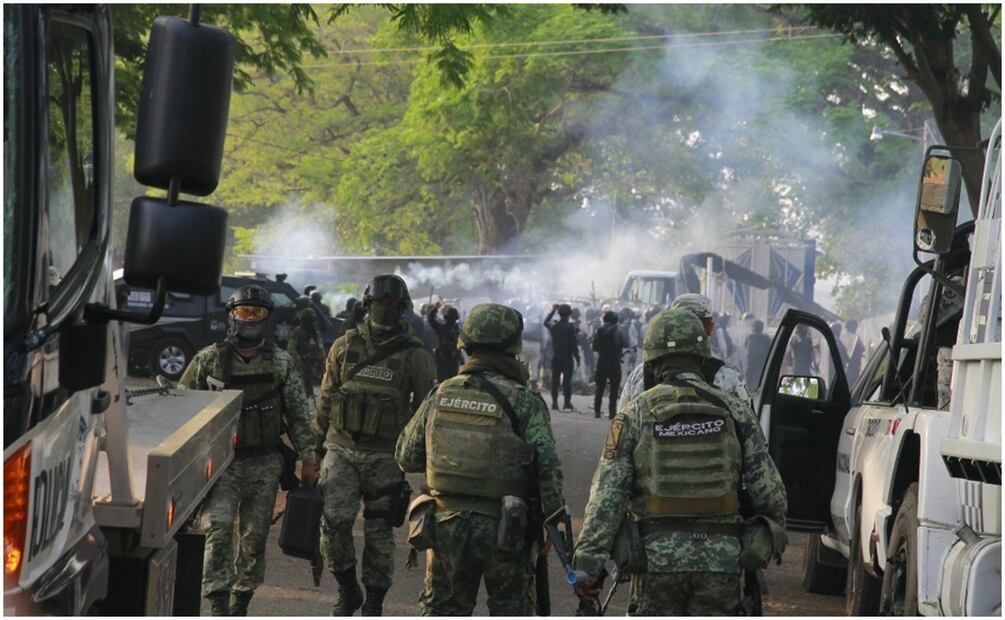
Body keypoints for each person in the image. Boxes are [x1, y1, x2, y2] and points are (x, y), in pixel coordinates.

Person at [573, 309, 787, 615]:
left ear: (653, 360)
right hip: (722, 561)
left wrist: (587, 565)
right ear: (701, 356)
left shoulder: (635, 413)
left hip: (655, 561)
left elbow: (607, 497)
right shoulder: (736, 411)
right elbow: (771, 493)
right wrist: (764, 540)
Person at [396, 303, 566, 615]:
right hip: (507, 528)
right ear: (513, 347)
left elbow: (406, 456)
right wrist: (552, 522)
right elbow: (548, 467)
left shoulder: (441, 393)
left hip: (446, 523)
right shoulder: (525, 401)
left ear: (467, 343)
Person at [179, 285, 318, 616]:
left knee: (254, 537)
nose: (251, 319)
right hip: (222, 463)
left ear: (267, 318)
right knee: (218, 529)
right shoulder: (209, 360)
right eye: (245, 312)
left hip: (265, 464)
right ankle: (218, 603)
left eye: (258, 313)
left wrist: (309, 459)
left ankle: (241, 600)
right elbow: (182, 408)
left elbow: (299, 417)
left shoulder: (280, 363)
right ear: (232, 316)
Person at [316, 274, 437, 616]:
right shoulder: (345, 345)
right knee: (333, 524)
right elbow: (326, 397)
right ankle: (347, 588)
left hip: (386, 455)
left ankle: (374, 602)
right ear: (368, 305)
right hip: (341, 449)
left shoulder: (415, 354)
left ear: (402, 308)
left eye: (391, 304)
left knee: (380, 533)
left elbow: (427, 409)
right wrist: (313, 448)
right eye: (379, 303)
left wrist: (423, 459)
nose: (384, 310)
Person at [618, 294, 751, 411]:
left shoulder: (639, 376)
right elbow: (749, 425)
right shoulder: (728, 378)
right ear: (710, 328)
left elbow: (620, 424)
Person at [544, 303, 580, 410]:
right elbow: (574, 345)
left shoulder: (555, 327)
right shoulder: (570, 328)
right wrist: (577, 358)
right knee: (567, 382)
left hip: (556, 357)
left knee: (555, 381)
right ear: (569, 314)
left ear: (559, 314)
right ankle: (566, 403)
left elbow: (545, 323)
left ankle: (554, 403)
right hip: (567, 358)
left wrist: (552, 311)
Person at [592, 310, 627, 419]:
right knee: (614, 389)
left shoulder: (599, 331)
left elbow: (595, 347)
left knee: (600, 387)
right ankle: (612, 413)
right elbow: (625, 343)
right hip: (614, 362)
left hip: (602, 362)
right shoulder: (618, 330)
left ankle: (597, 411)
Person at [288, 305, 326, 399]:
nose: (311, 321)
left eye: (312, 319)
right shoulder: (297, 332)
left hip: (315, 363)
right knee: (302, 386)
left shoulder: (315, 331)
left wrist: (322, 360)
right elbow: (291, 348)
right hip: (302, 363)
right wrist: (299, 359)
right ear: (303, 320)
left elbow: (320, 346)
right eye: (309, 319)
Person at [427, 301, 464, 381]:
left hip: (450, 359)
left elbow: (431, 320)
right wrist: (435, 309)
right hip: (443, 358)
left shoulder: (455, 330)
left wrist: (435, 309)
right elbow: (431, 320)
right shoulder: (443, 329)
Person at [744, 319, 771, 390]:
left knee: (749, 383)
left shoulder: (749, 337)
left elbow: (746, 347)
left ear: (753, 328)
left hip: (751, 364)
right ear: (762, 328)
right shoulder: (766, 337)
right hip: (762, 364)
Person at [841, 319, 866, 387]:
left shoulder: (842, 337)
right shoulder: (855, 337)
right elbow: (863, 348)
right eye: (855, 326)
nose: (856, 328)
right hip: (853, 367)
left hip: (846, 367)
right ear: (852, 327)